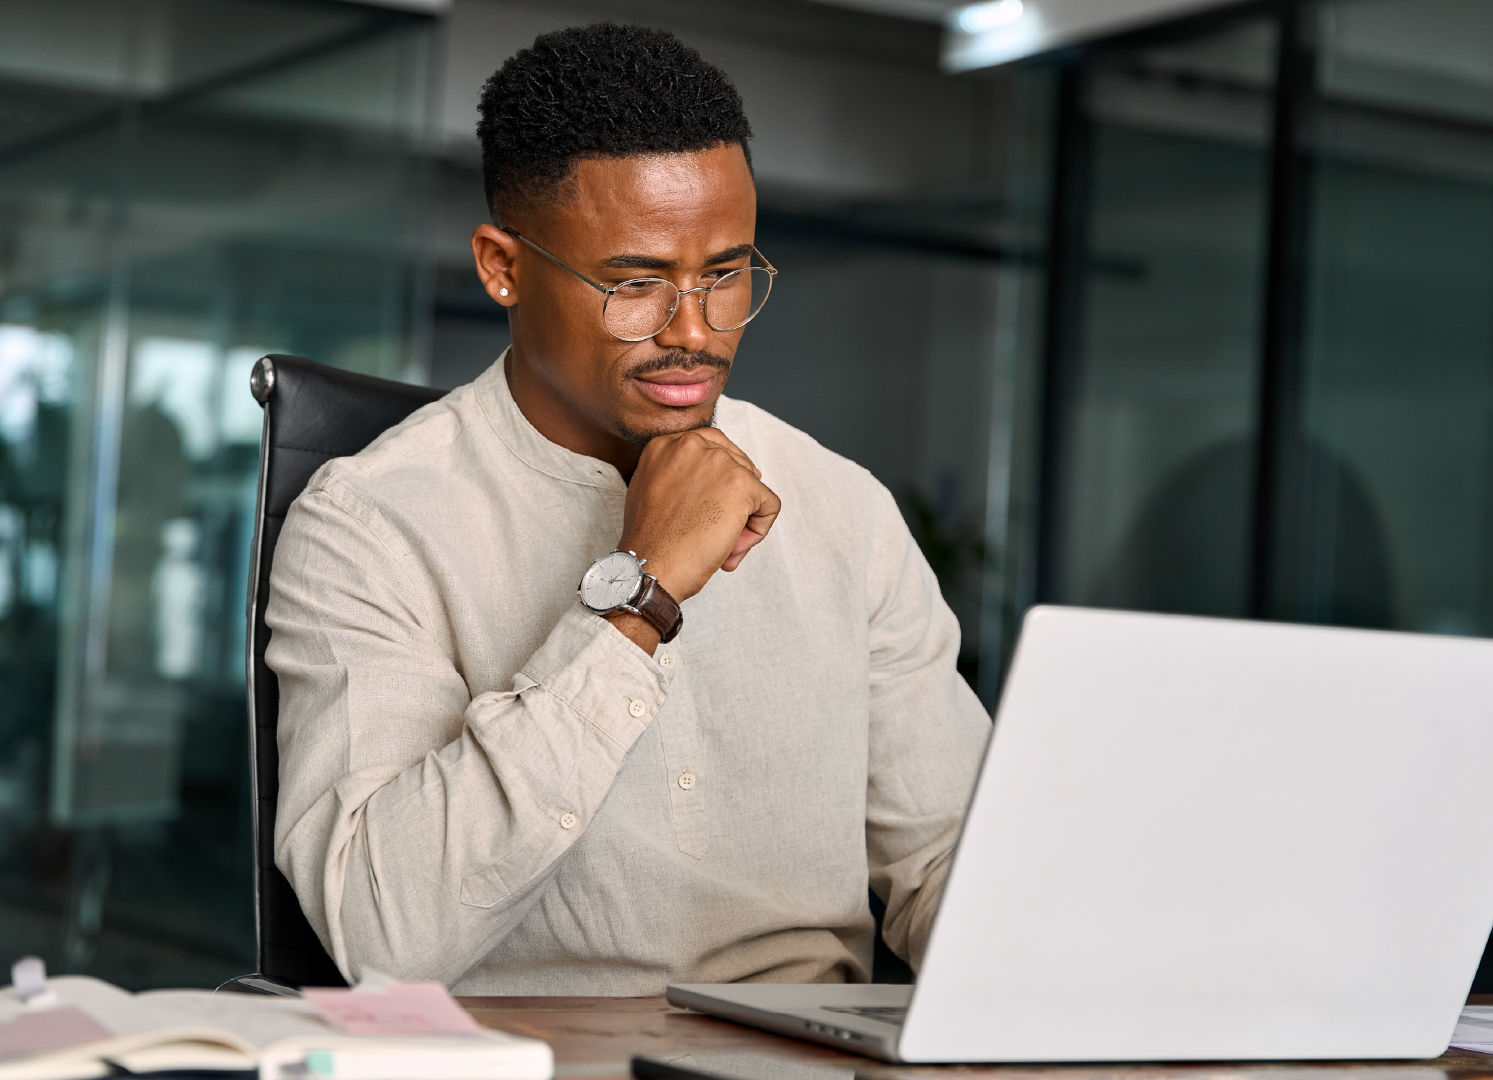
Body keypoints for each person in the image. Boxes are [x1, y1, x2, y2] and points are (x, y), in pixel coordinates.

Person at [265, 22, 990, 995]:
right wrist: (635, 602)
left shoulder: (842, 509)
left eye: (726, 274)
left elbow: (950, 861)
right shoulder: (369, 525)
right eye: (635, 283)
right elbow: (382, 932)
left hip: (810, 1060)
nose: (695, 332)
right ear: (502, 266)